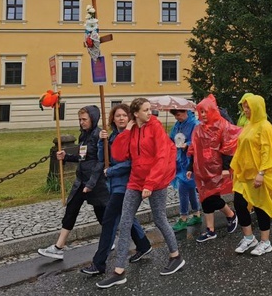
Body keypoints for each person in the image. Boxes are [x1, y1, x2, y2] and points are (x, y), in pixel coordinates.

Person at [96, 98, 184, 289]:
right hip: (136, 180)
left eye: (149, 109)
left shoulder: (156, 127)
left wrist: (150, 184)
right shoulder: (133, 129)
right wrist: (127, 130)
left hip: (157, 180)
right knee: (125, 222)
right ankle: (119, 271)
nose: (149, 113)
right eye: (145, 110)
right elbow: (118, 155)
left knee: (159, 218)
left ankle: (176, 256)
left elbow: (162, 157)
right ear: (135, 114)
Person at [80, 104, 152, 276]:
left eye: (124, 115)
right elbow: (102, 159)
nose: (121, 118)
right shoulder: (111, 137)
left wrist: (111, 171)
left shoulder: (133, 137)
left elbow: (131, 163)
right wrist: (101, 143)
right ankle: (144, 245)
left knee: (109, 222)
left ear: (129, 118)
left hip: (127, 185)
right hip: (113, 184)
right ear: (112, 118)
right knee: (126, 217)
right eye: (117, 115)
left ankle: (99, 263)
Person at [38, 106, 109, 261]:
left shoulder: (99, 136)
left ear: (93, 119)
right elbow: (82, 157)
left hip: (95, 183)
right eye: (80, 119)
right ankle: (58, 247)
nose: (81, 122)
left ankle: (110, 241)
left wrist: (91, 183)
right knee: (71, 209)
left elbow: (100, 162)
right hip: (81, 180)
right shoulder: (83, 136)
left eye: (84, 119)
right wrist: (66, 156)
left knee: (102, 213)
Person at [231, 95, 272, 256]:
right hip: (244, 175)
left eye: (248, 108)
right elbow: (241, 148)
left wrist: (262, 173)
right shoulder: (249, 125)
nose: (245, 111)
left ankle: (265, 241)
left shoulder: (265, 127)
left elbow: (268, 151)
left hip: (258, 175)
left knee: (260, 206)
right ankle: (249, 237)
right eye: (244, 107)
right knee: (239, 203)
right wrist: (235, 167)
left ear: (257, 108)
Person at [187, 94, 241, 242]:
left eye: (205, 111)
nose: (202, 115)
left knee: (212, 197)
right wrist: (190, 167)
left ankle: (231, 215)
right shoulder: (198, 129)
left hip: (216, 169)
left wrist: (225, 167)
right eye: (201, 111)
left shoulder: (221, 125)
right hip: (201, 169)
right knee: (204, 198)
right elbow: (194, 150)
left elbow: (228, 146)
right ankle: (210, 230)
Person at [169, 108, 202, 232]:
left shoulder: (195, 124)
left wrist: (187, 144)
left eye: (178, 115)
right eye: (175, 116)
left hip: (191, 161)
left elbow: (198, 141)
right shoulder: (178, 125)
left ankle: (183, 217)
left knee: (183, 187)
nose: (177, 118)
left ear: (186, 112)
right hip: (181, 160)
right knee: (189, 187)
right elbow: (172, 138)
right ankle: (197, 213)